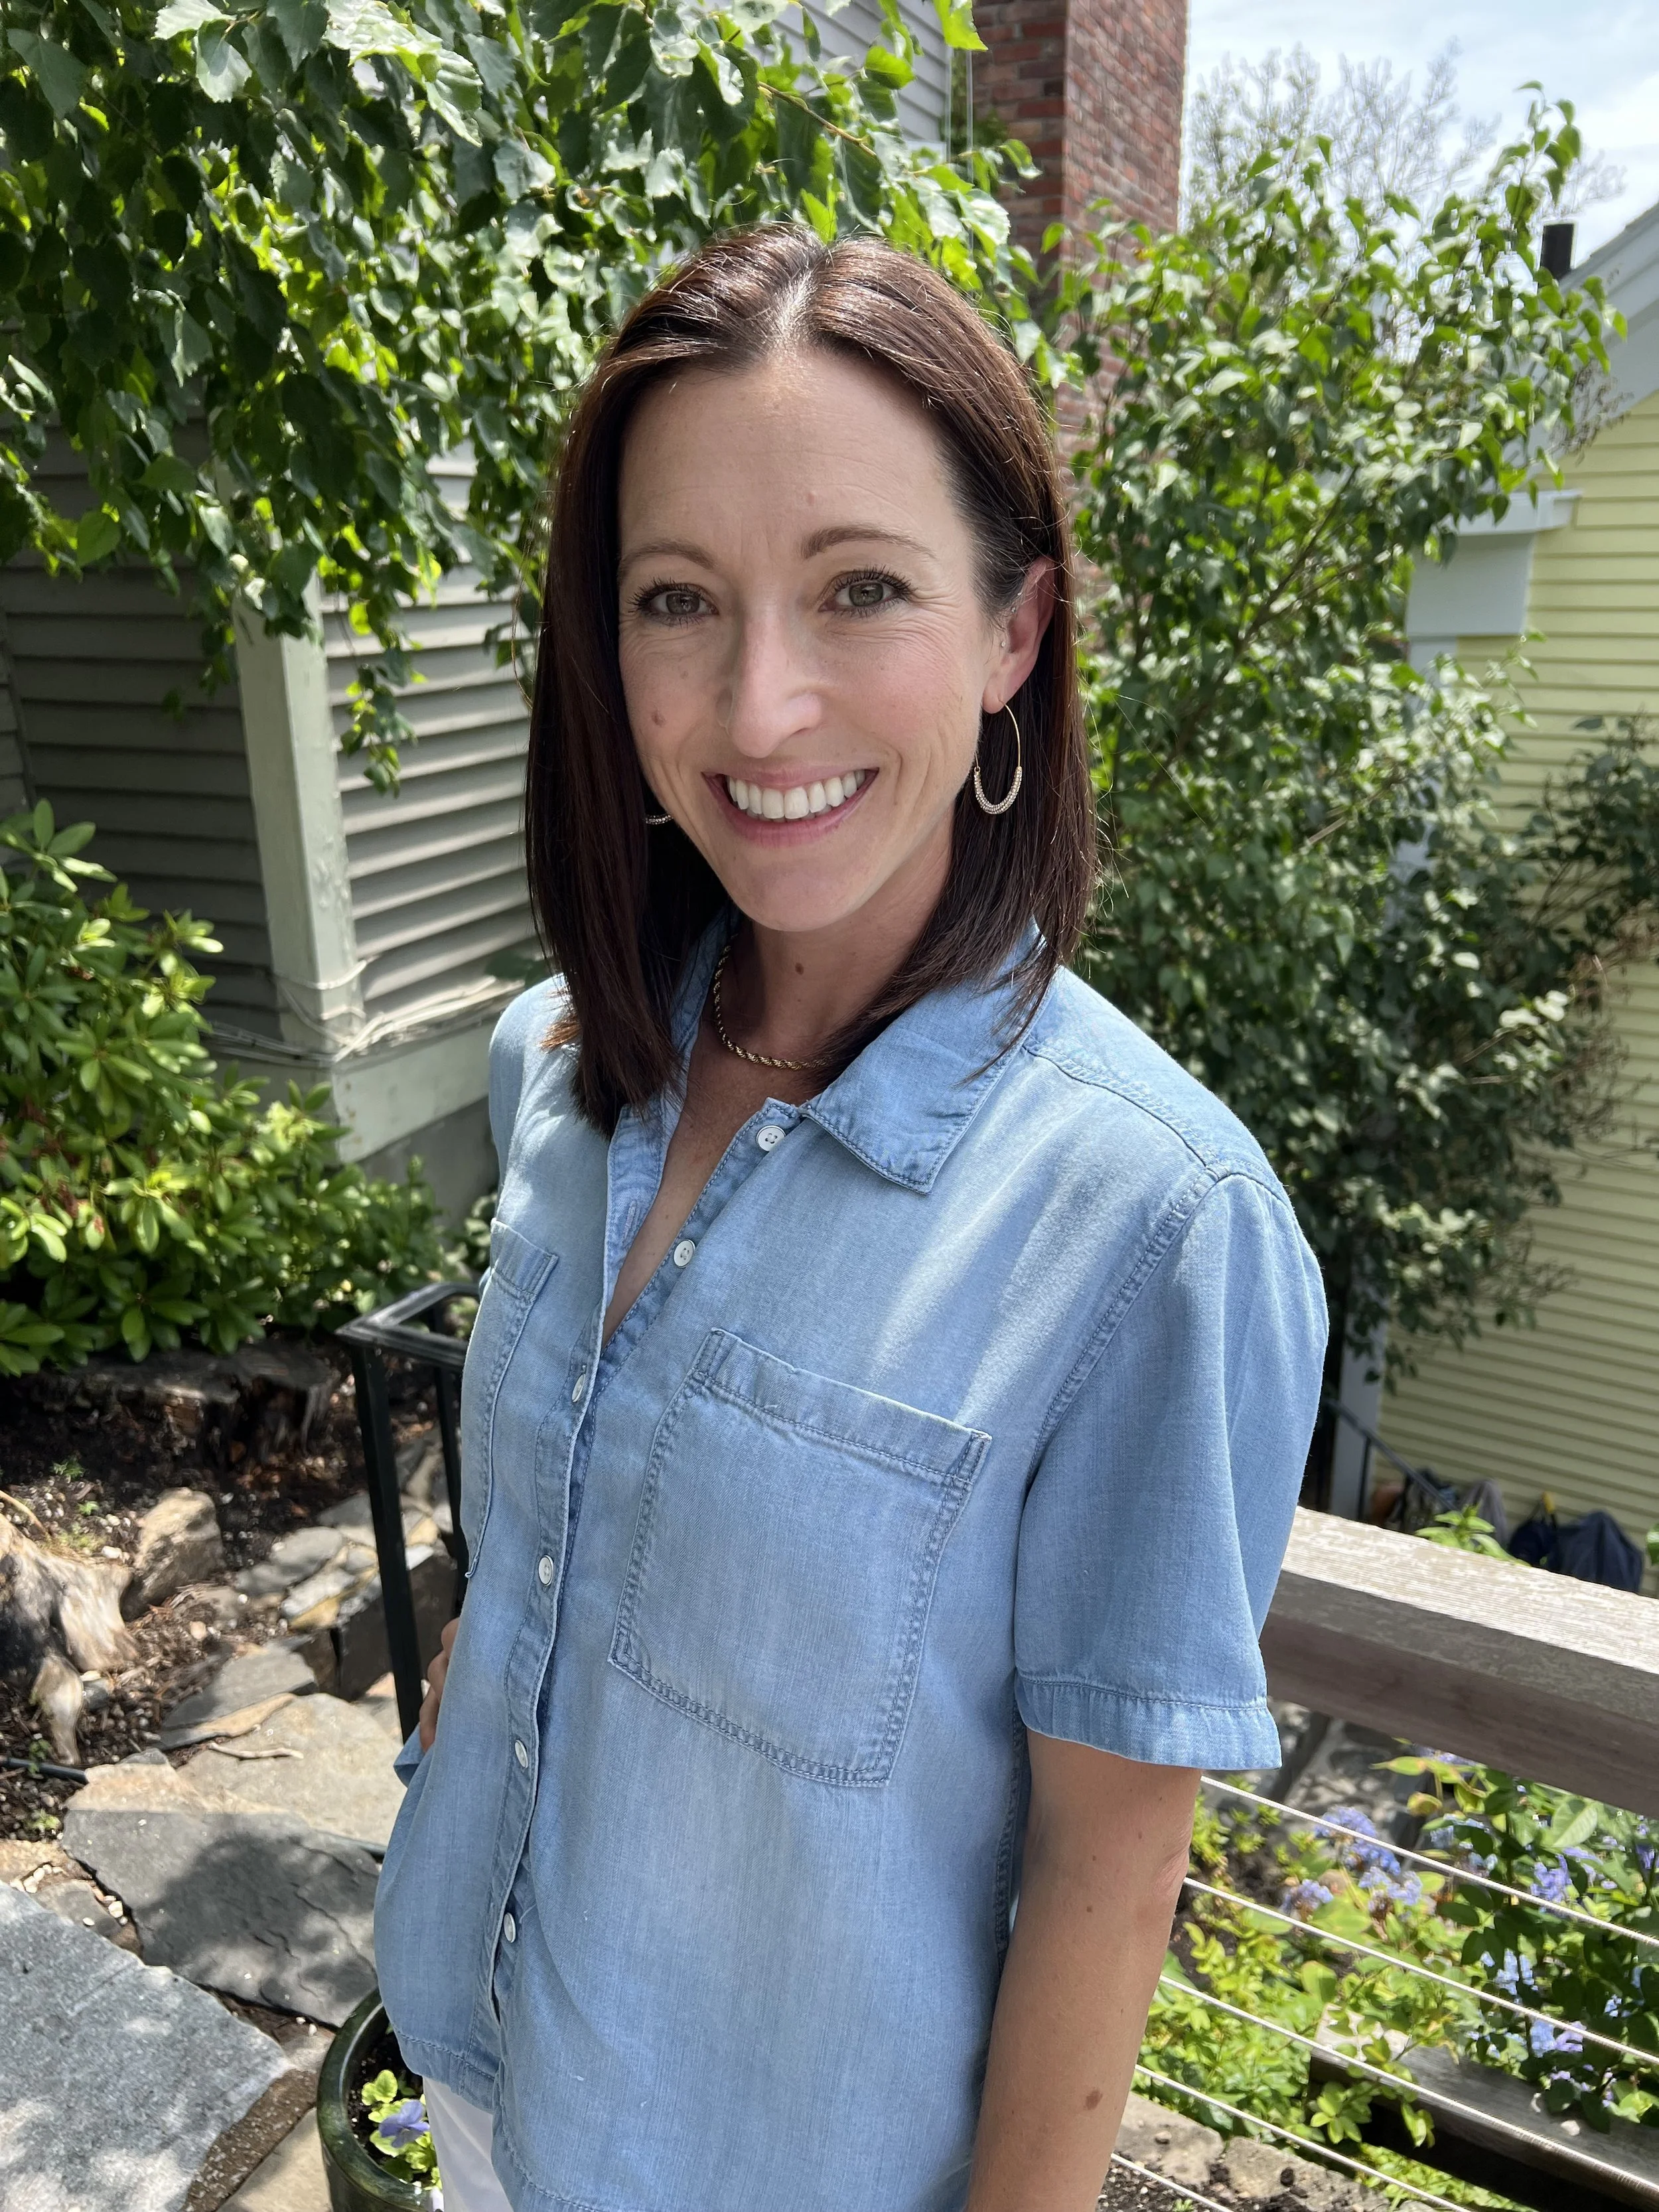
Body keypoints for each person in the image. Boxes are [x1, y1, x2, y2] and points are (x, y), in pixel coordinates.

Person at [373, 224, 1327, 2212]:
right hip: (478, 2082)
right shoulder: (551, 1061)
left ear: (1012, 634)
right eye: (675, 599)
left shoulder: (1152, 1224)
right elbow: (556, 1511)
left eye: (862, 588)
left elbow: (1105, 1861)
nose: (761, 702)